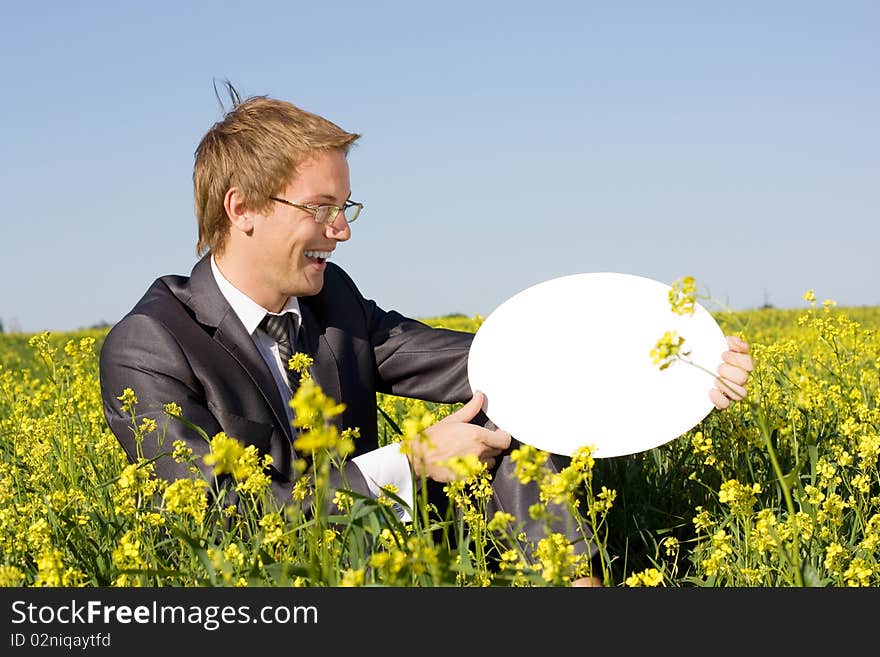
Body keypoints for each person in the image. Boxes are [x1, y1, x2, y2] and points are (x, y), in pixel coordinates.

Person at [99, 87, 754, 587]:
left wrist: (683, 366)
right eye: (321, 210)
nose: (342, 231)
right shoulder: (151, 344)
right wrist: (408, 460)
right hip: (272, 583)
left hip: (381, 555)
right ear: (240, 208)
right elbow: (219, 519)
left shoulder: (335, 301)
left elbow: (494, 364)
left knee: (510, 419)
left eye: (345, 209)